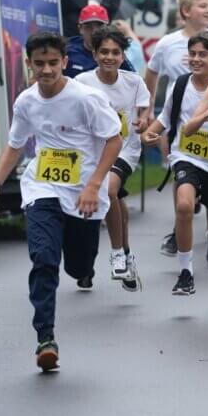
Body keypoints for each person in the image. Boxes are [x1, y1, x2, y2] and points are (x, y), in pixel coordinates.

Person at [0, 32, 122, 371]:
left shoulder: (85, 98)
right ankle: (45, 336)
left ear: (64, 62)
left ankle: (85, 269)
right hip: (42, 186)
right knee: (44, 258)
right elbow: (16, 145)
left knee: (76, 264)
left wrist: (93, 185)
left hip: (83, 193)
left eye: (52, 63)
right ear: (29, 65)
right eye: (38, 64)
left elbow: (113, 140)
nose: (46, 70)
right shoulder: (26, 101)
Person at [140, 31, 208, 300]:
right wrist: (151, 133)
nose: (195, 59)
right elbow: (165, 119)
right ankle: (185, 273)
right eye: (192, 54)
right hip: (187, 155)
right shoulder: (180, 84)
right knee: (184, 206)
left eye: (202, 55)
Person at [74, 28, 151, 291]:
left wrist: (142, 121)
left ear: (122, 55)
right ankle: (94, 261)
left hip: (123, 149)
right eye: (104, 51)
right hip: (89, 151)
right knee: (100, 203)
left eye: (115, 52)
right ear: (94, 54)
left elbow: (144, 111)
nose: (109, 57)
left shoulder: (134, 82)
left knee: (109, 189)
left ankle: (118, 253)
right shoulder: (82, 82)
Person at [64, 2, 135, 78]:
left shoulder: (116, 51)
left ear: (107, 28)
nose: (94, 32)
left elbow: (133, 79)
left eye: (99, 26)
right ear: (80, 29)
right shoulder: (67, 48)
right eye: (89, 27)